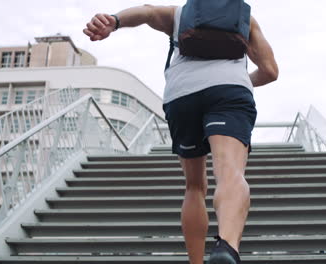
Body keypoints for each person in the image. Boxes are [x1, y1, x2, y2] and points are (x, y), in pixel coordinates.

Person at [83, 3, 278, 264]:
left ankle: (195, 262)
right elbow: (270, 71)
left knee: (195, 186)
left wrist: (114, 21)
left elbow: (147, 12)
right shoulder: (246, 20)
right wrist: (238, 79)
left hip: (182, 94)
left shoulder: (179, 14)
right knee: (229, 172)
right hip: (230, 91)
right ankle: (226, 248)